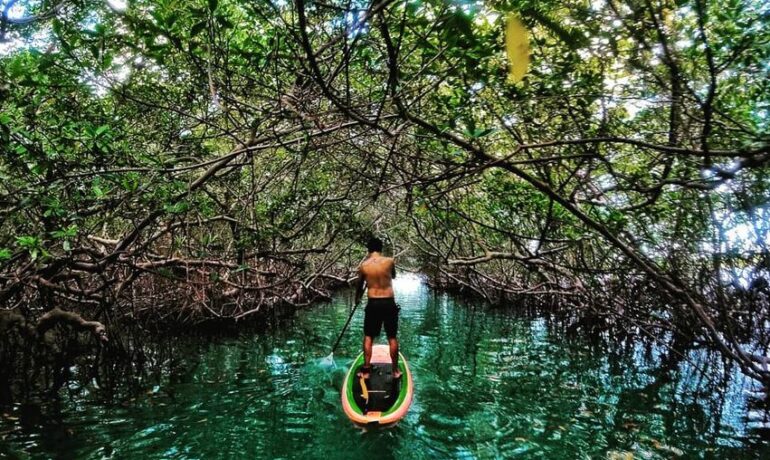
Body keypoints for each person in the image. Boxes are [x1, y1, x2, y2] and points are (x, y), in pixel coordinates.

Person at [354, 236, 401, 380]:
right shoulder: (390, 261)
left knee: (368, 336)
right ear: (381, 249)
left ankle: (366, 372)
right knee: (391, 337)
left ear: (368, 249)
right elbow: (393, 276)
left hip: (373, 303)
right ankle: (395, 371)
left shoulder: (363, 266)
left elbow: (359, 286)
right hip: (388, 302)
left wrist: (356, 299)